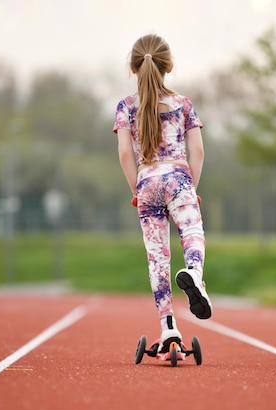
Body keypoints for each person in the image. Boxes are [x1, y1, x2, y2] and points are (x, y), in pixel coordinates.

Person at [112, 34, 212, 353]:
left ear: (133, 68)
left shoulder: (126, 107)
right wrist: (190, 187)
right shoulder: (183, 104)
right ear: (168, 66)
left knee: (158, 258)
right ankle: (195, 274)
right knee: (192, 234)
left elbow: (126, 155)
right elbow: (197, 151)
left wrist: (137, 190)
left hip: (147, 182)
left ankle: (168, 327)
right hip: (178, 176)